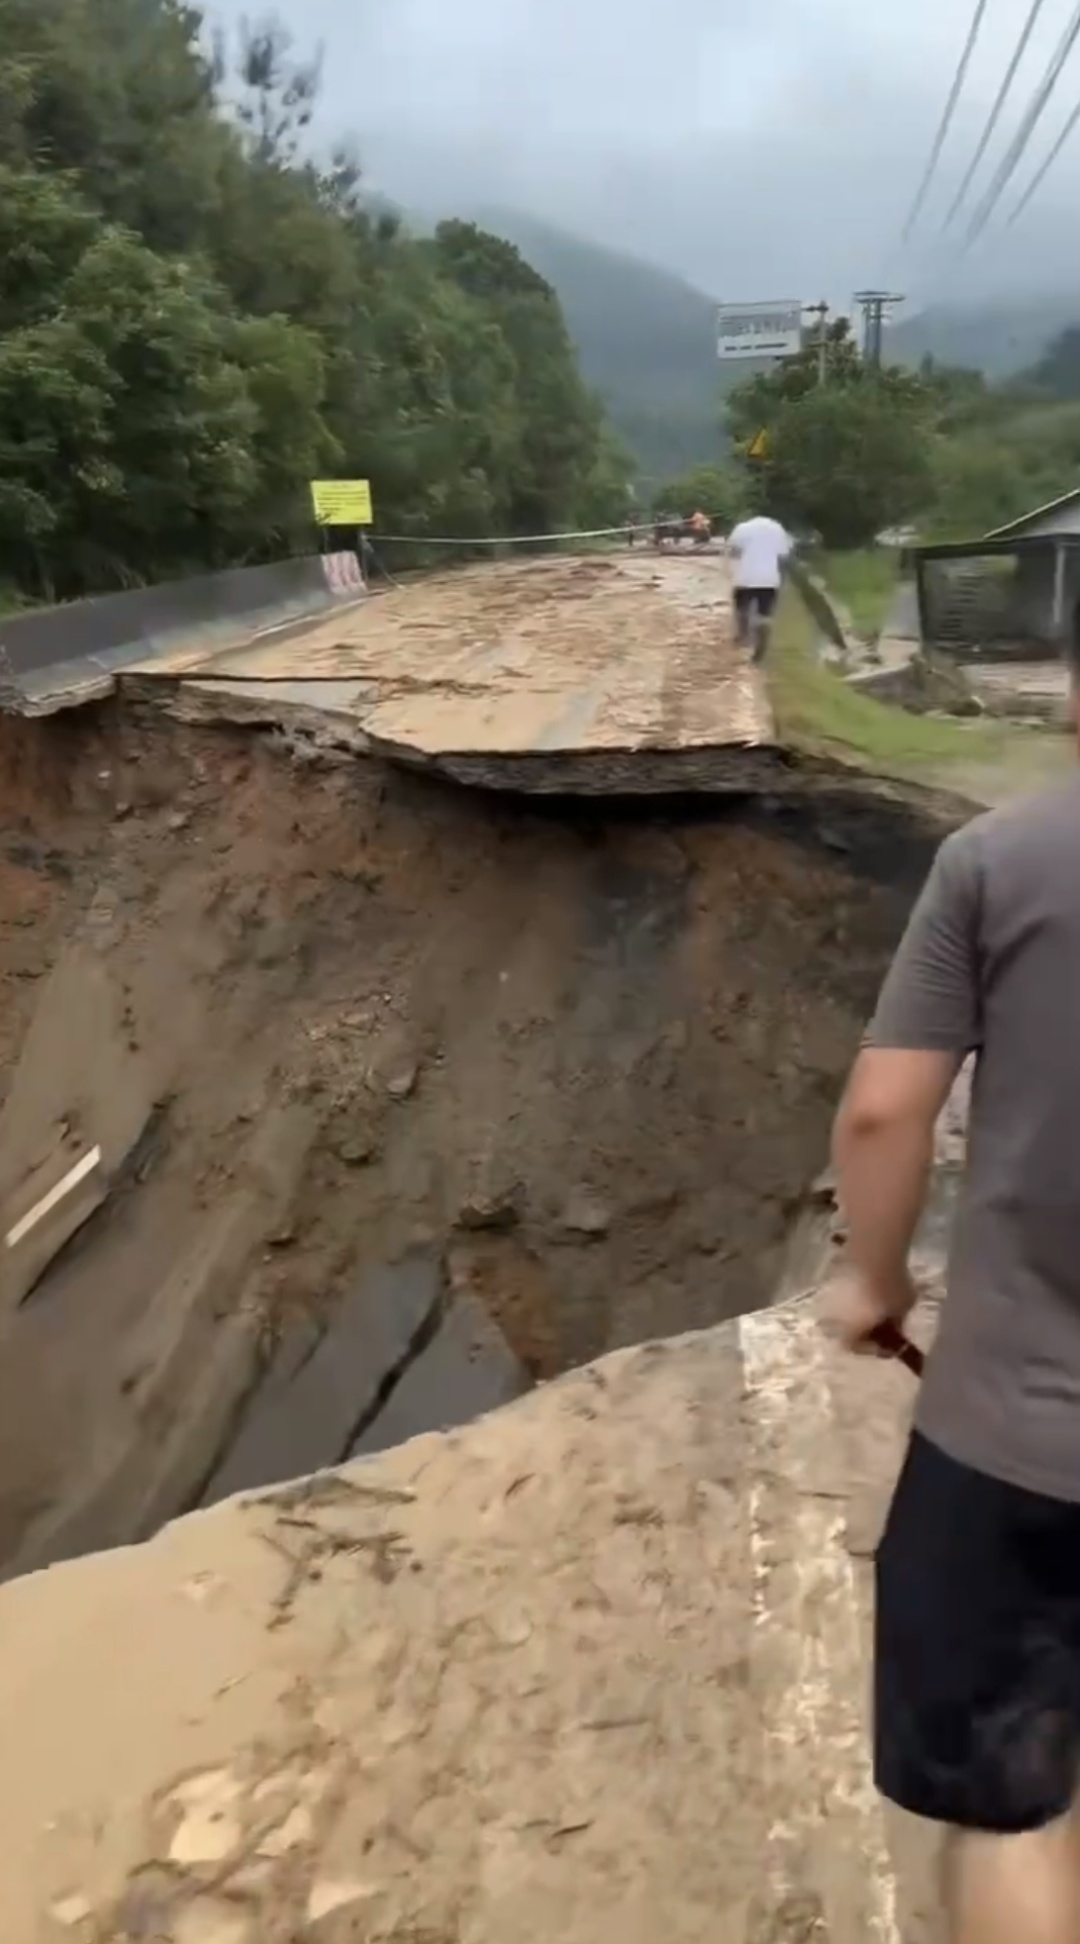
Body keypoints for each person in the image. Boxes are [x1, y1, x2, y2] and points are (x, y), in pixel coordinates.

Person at [829, 739, 1080, 1943]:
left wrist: (872, 1284)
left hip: (1017, 1446)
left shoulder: (997, 862)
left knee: (1012, 1805)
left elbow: (886, 1112)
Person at [725, 511, 793, 650]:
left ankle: (743, 636)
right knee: (765, 611)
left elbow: (733, 552)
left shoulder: (742, 528)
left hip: (746, 577)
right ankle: (762, 638)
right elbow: (784, 557)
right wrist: (782, 579)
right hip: (770, 578)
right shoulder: (777, 528)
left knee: (742, 607)